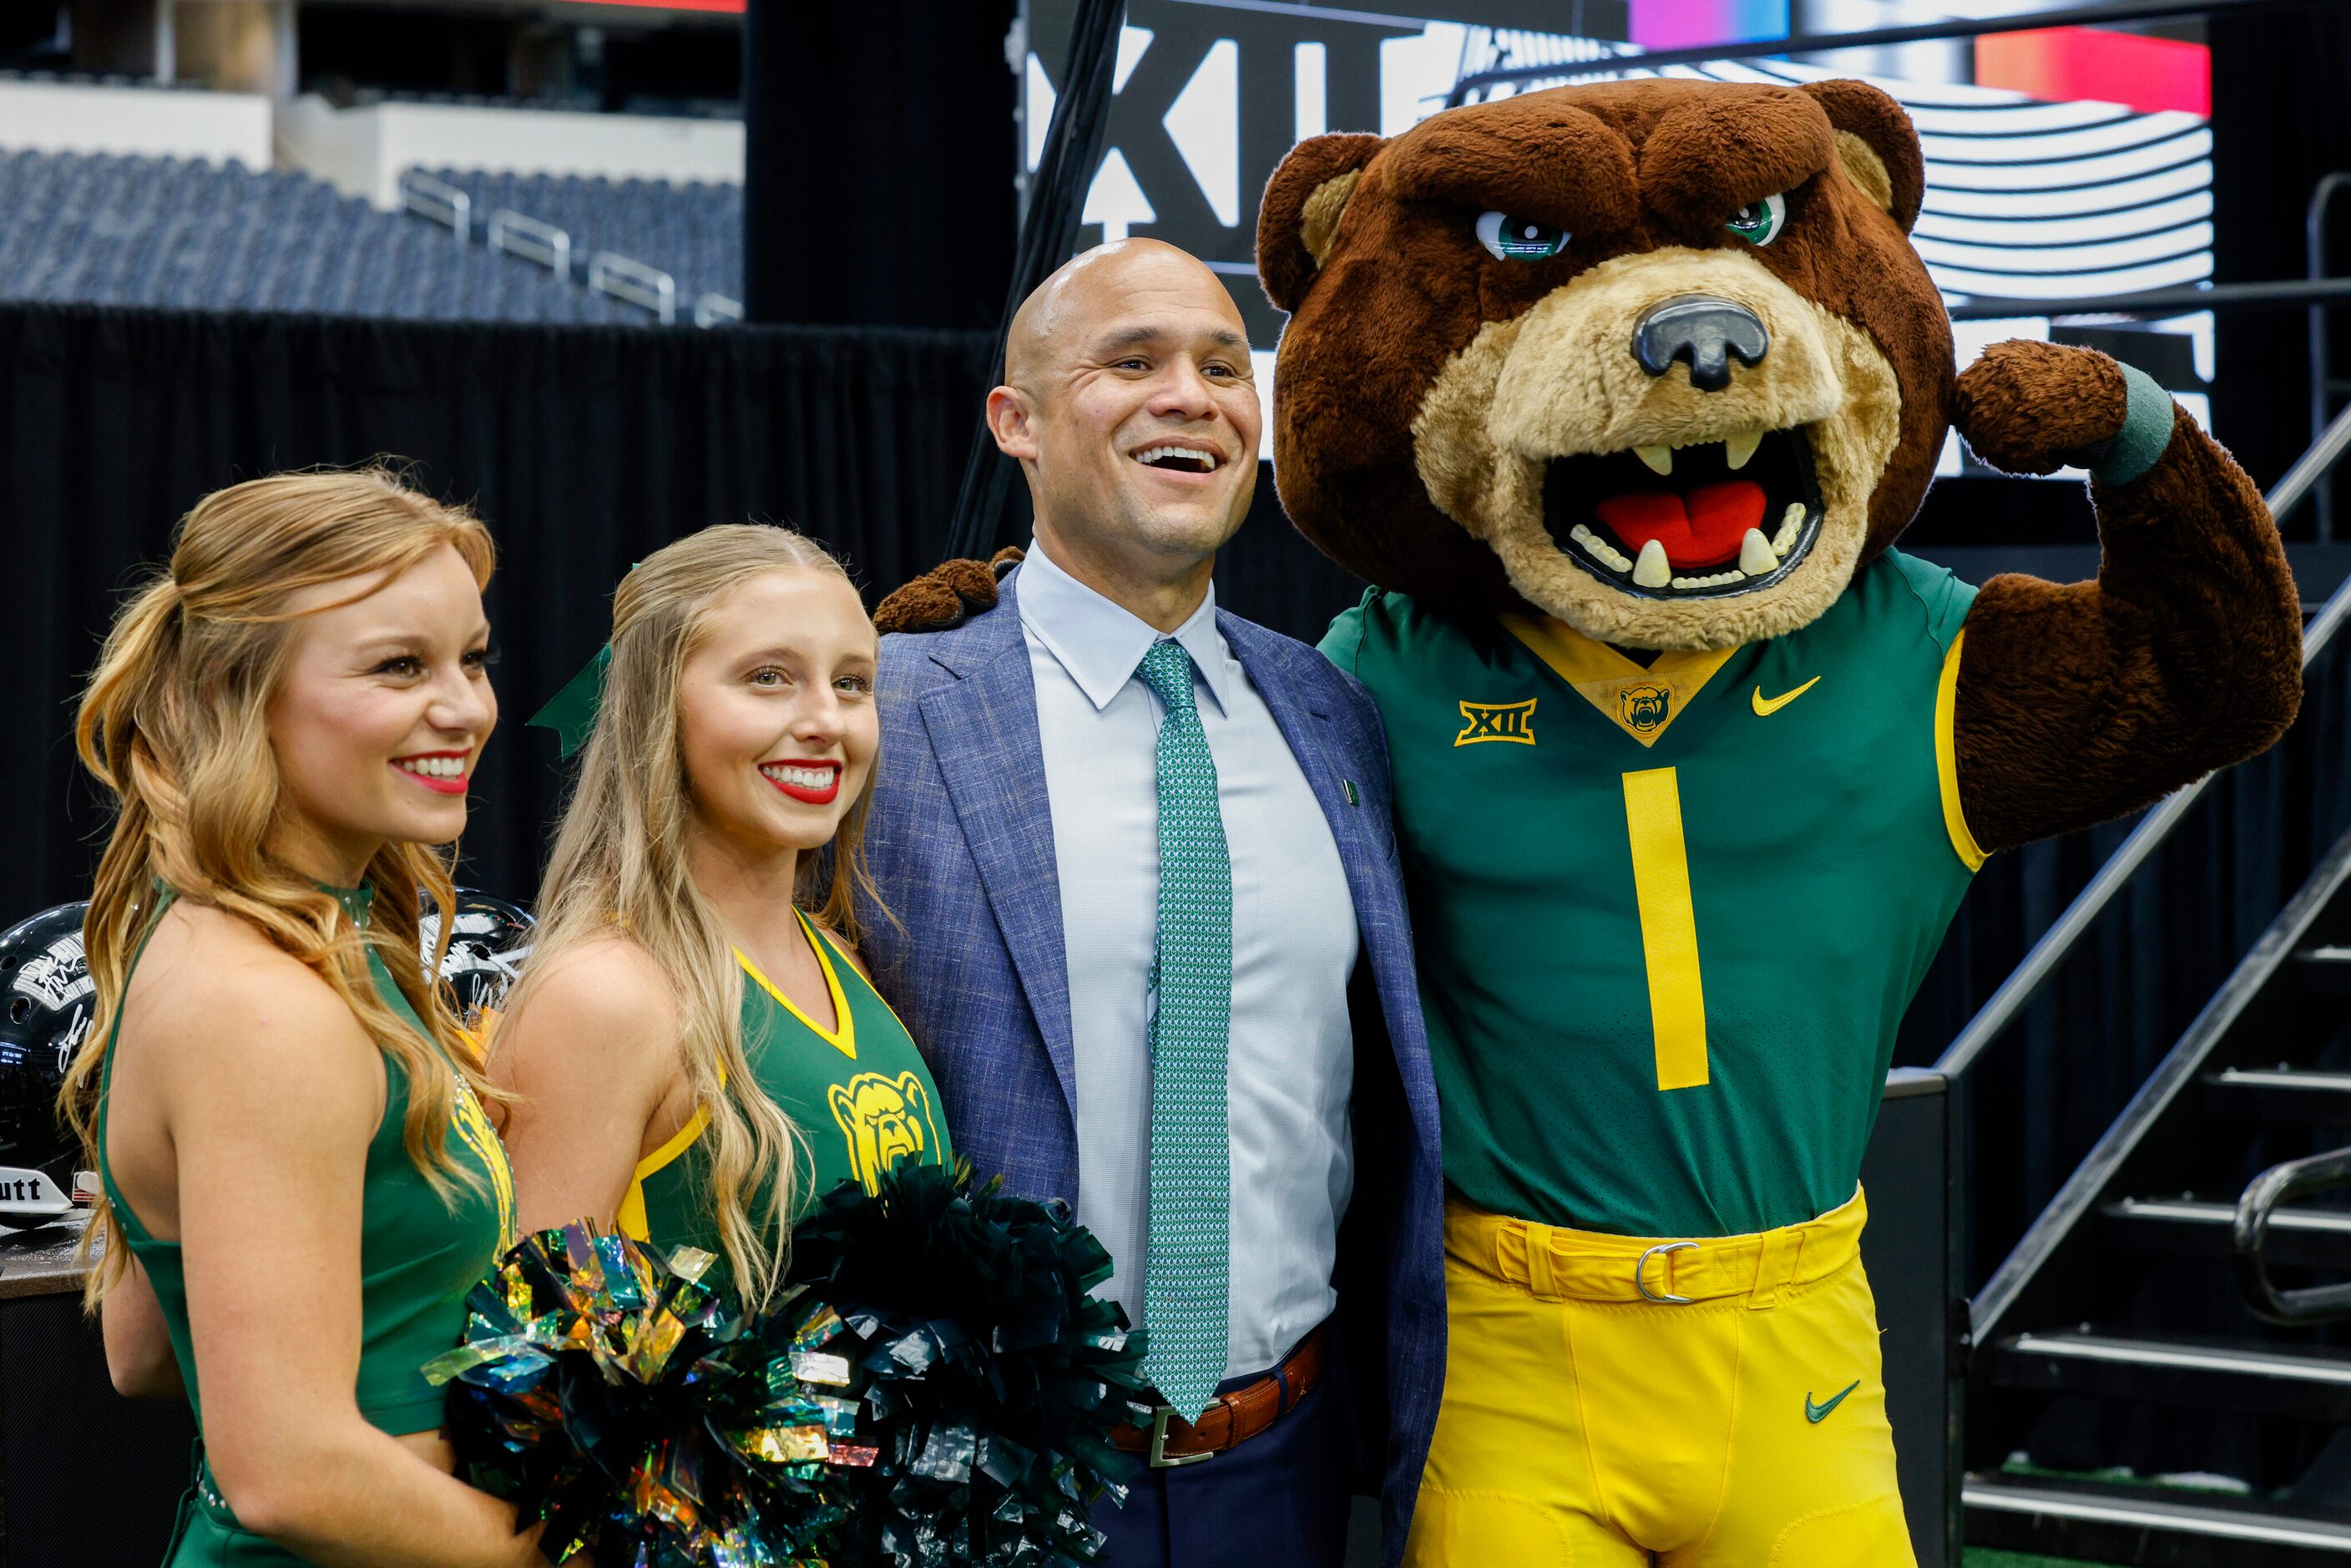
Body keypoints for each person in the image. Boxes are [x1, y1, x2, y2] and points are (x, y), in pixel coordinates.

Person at [861, 238, 1444, 1568]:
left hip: (1286, 1464)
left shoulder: (1330, 712)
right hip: (985, 1471)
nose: (1191, 394)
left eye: (1223, 366)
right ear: (1015, 421)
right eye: (1132, 362)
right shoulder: (890, 712)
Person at [63, 469, 551, 1565]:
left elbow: (144, 1347)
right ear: (245, 692)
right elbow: (288, 1471)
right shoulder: (265, 1003)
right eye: (398, 665)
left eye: (472, 657)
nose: (467, 707)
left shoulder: (261, 940)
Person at [490, 524, 949, 1304]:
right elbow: (546, 1358)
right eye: (769, 677)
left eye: (852, 682)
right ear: (654, 706)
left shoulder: (843, 958)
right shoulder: (607, 996)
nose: (826, 721)